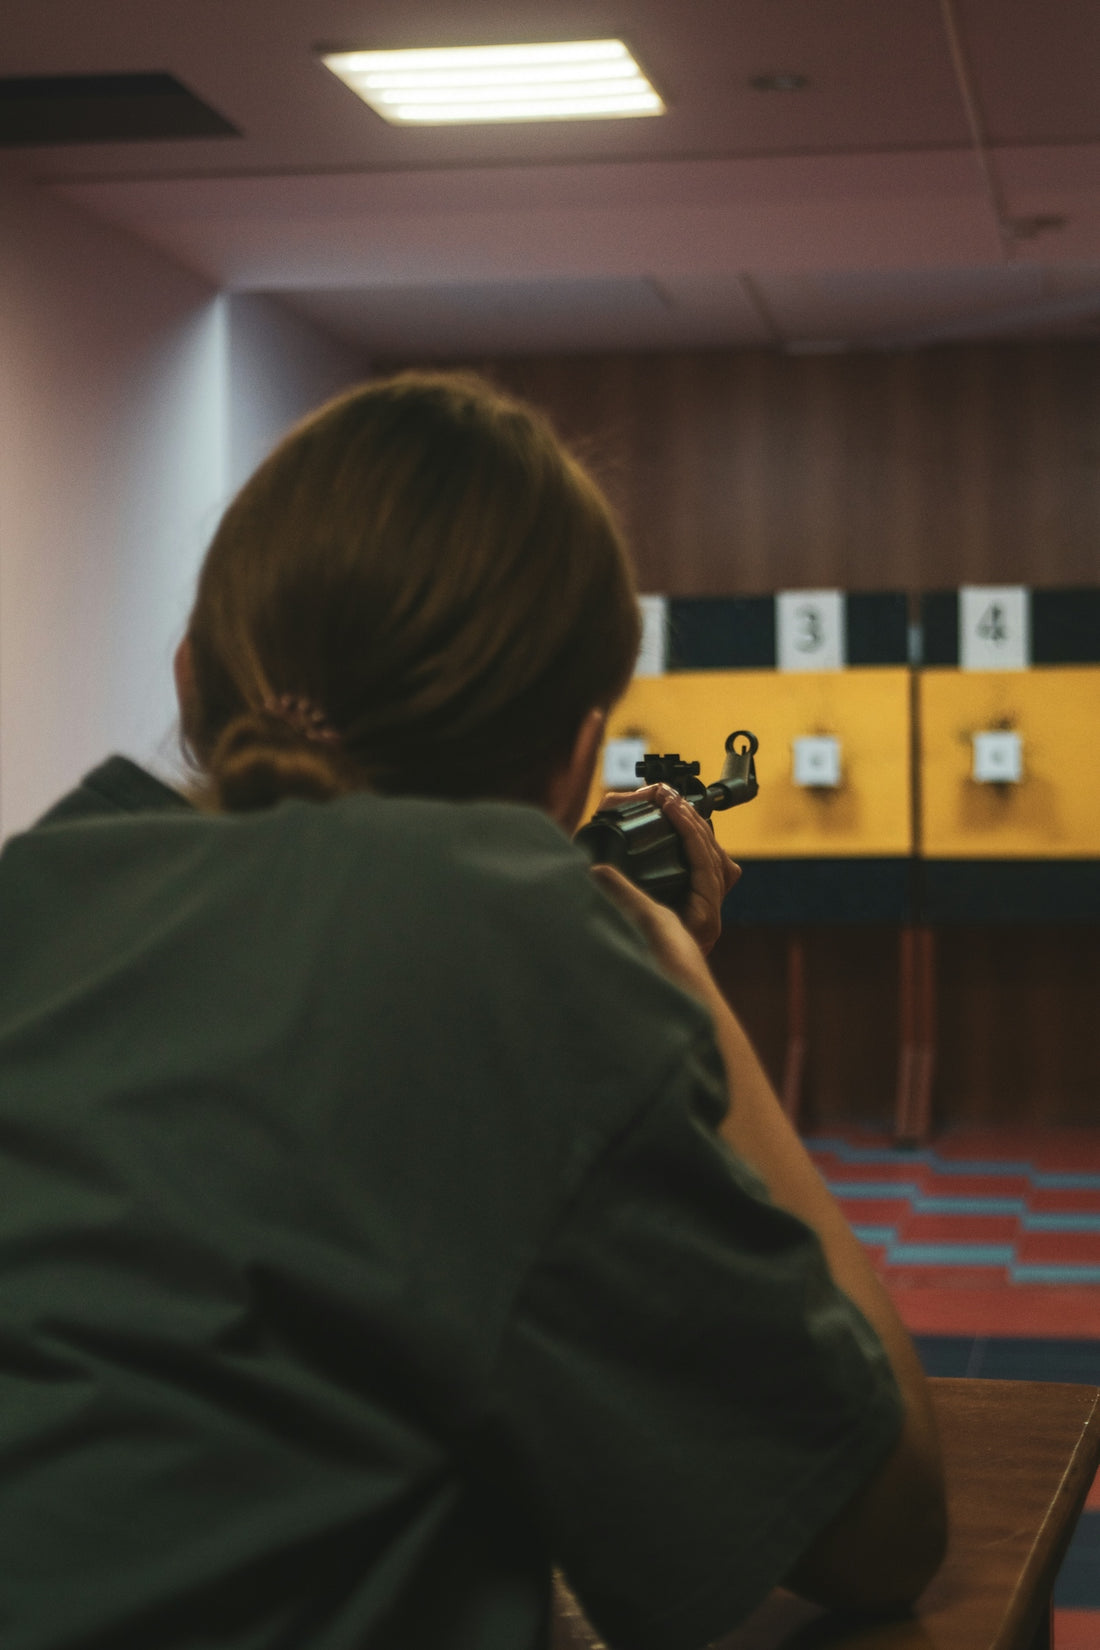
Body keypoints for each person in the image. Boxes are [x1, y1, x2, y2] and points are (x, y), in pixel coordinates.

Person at [0, 372, 945, 1650]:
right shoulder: (506, 945)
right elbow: (877, 1523)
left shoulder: (44, 878)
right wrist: (673, 981)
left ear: (191, 676)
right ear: (576, 757)